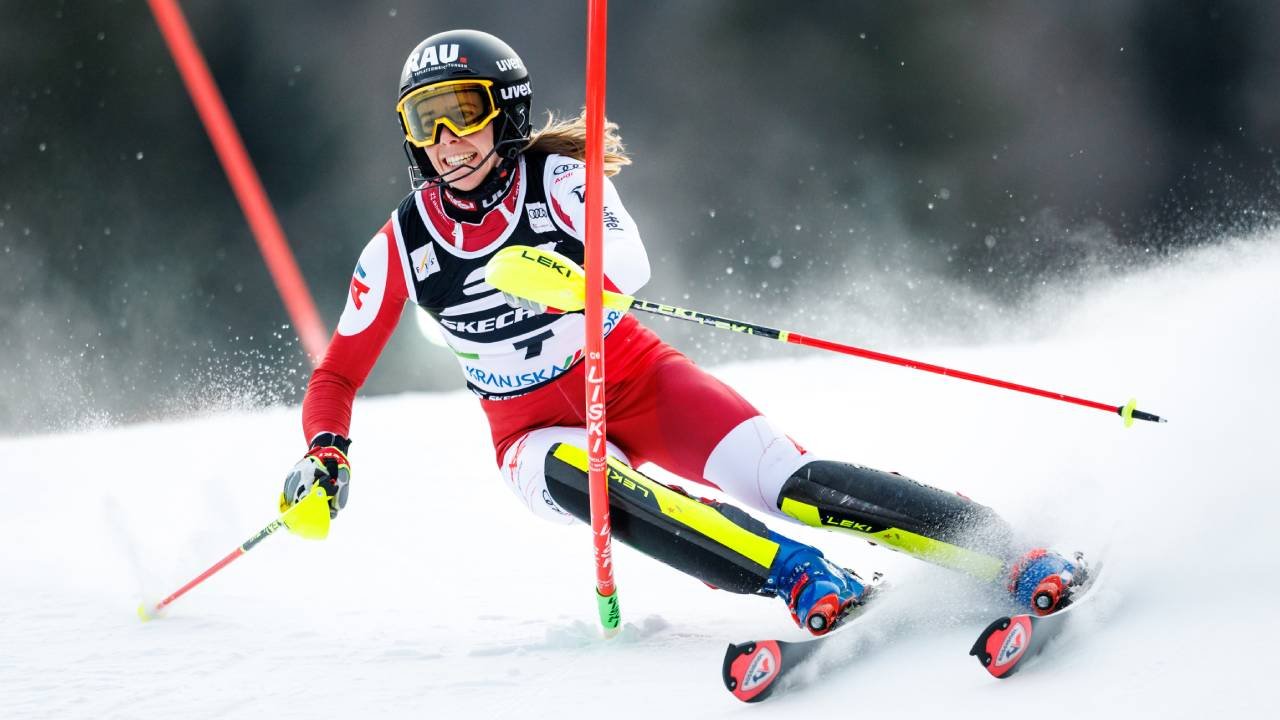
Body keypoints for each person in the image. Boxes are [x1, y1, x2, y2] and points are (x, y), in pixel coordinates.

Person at [281, 29, 1082, 635]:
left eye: (462, 114)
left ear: (505, 113)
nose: (445, 141)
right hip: (527, 433)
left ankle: (1000, 550)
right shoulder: (402, 245)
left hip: (635, 379)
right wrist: (325, 454)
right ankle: (800, 578)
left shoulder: (558, 180)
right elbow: (336, 376)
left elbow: (630, 262)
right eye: (425, 121)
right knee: (595, 480)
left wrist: (572, 285)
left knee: (790, 481)